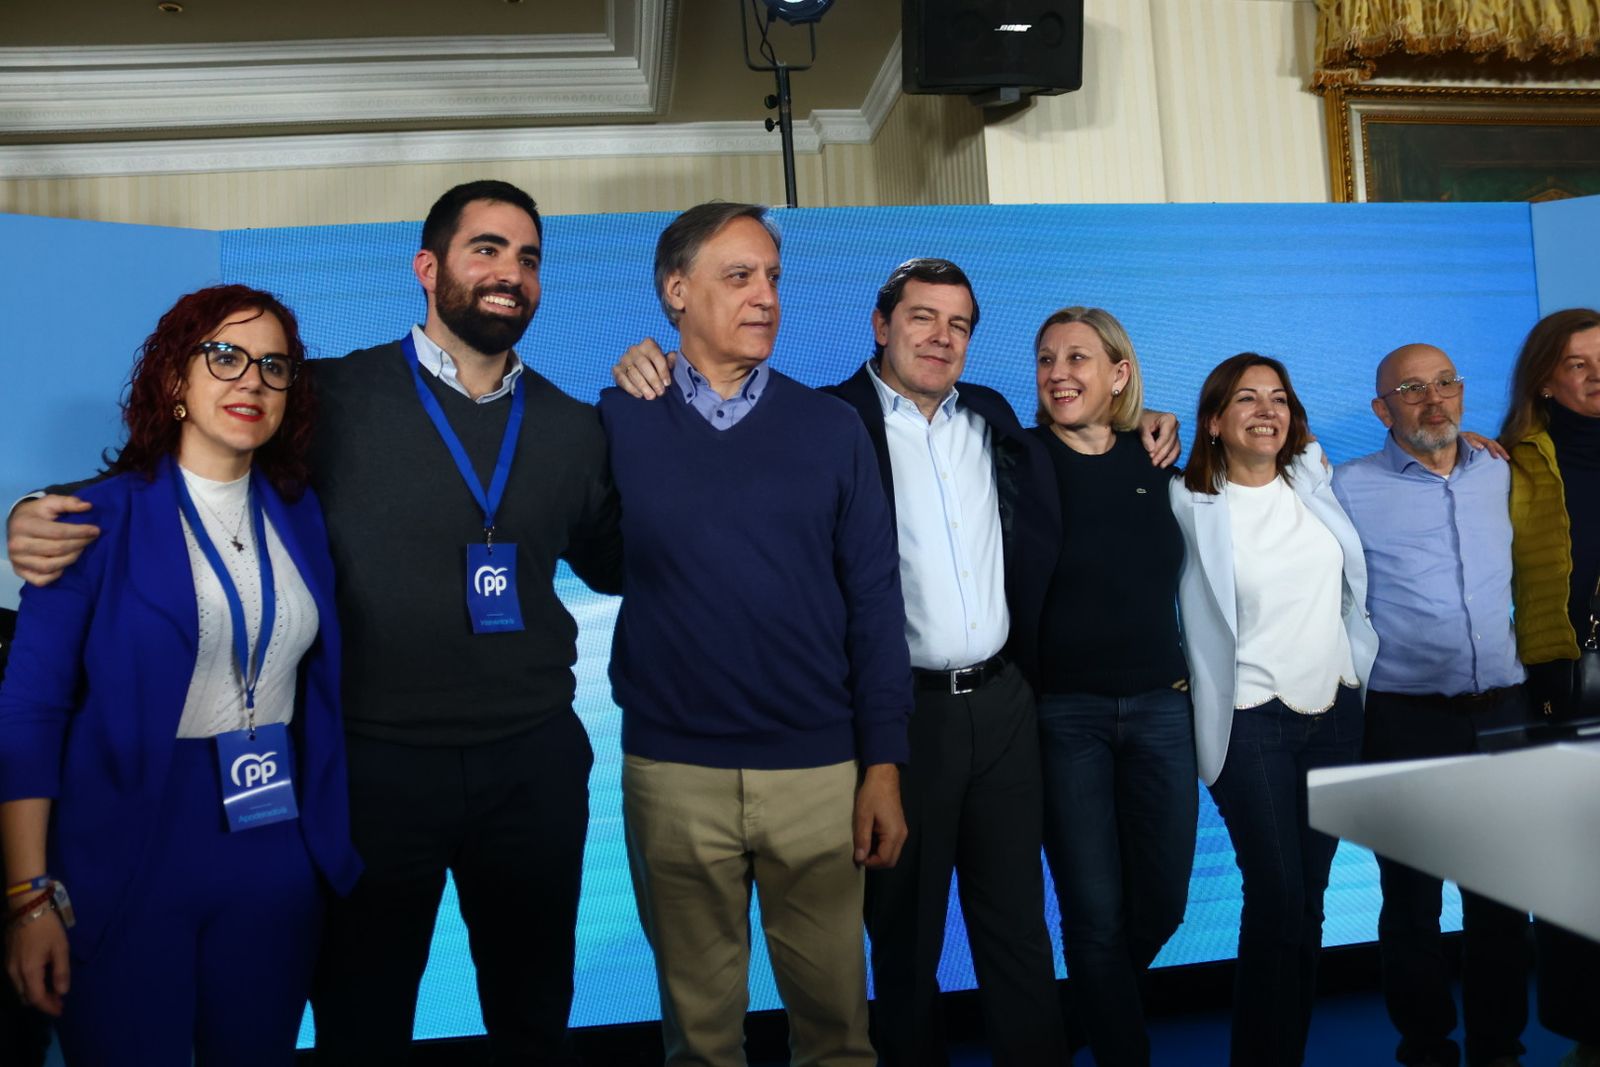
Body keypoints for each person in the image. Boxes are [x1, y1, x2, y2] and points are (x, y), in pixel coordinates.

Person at [6, 180, 624, 1066]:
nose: (509, 272)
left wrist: (666, 404)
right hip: (368, 772)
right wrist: (30, 516)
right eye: (486, 248)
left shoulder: (573, 425)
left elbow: (622, 557)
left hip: (521, 766)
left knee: (533, 1017)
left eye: (528, 257)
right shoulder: (328, 397)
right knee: (358, 1025)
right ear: (427, 267)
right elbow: (174, 486)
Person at [610, 263, 1182, 1067]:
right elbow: (721, 433)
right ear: (881, 326)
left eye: (958, 324)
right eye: (922, 317)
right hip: (899, 716)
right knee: (905, 942)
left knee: (1017, 928)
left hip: (1005, 702)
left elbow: (1084, 439)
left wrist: (1149, 417)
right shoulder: (820, 421)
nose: (940, 336)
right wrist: (654, 368)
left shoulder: (991, 416)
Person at [0, 286, 360, 1065]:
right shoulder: (88, 520)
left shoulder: (300, 513)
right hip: (130, 847)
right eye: (224, 356)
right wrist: (28, 897)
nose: (251, 381)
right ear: (174, 383)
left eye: (273, 365)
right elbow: (29, 713)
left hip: (273, 842)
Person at [600, 202, 911, 1067]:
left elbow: (876, 602)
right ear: (676, 291)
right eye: (739, 276)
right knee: (698, 1042)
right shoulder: (620, 417)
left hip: (818, 773)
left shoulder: (831, 428)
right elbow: (596, 557)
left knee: (839, 1034)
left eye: (773, 276)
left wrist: (882, 764)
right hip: (673, 775)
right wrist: (629, 375)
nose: (766, 295)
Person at [1169, 352, 1378, 1067]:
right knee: (1278, 891)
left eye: (1279, 398)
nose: (1267, 410)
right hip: (1250, 719)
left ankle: (1286, 1051)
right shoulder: (1187, 501)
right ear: (1214, 421)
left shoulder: (1312, 479)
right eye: (1247, 398)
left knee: (1311, 898)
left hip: (1336, 711)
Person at [1334, 343, 1530, 1067]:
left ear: (1463, 391)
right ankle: (1425, 1048)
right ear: (1382, 409)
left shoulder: (1502, 470)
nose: (1433, 399)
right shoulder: (1346, 486)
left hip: (1504, 713)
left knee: (1502, 902)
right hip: (1404, 716)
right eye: (1411, 389)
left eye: (1445, 382)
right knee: (1412, 904)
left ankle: (1499, 1049)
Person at [1029, 307, 1195, 1067]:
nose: (1059, 372)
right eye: (1047, 358)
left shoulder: (1158, 457)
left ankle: (1064, 1031)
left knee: (1161, 903)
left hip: (1165, 706)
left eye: (1079, 357)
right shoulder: (1016, 454)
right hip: (1064, 715)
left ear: (1119, 373)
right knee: (1093, 918)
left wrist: (1156, 418)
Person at [1498, 308, 1600, 1067]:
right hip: (1558, 684)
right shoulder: (1506, 461)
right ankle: (1590, 1034)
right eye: (1578, 364)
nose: (1596, 375)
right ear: (1545, 379)